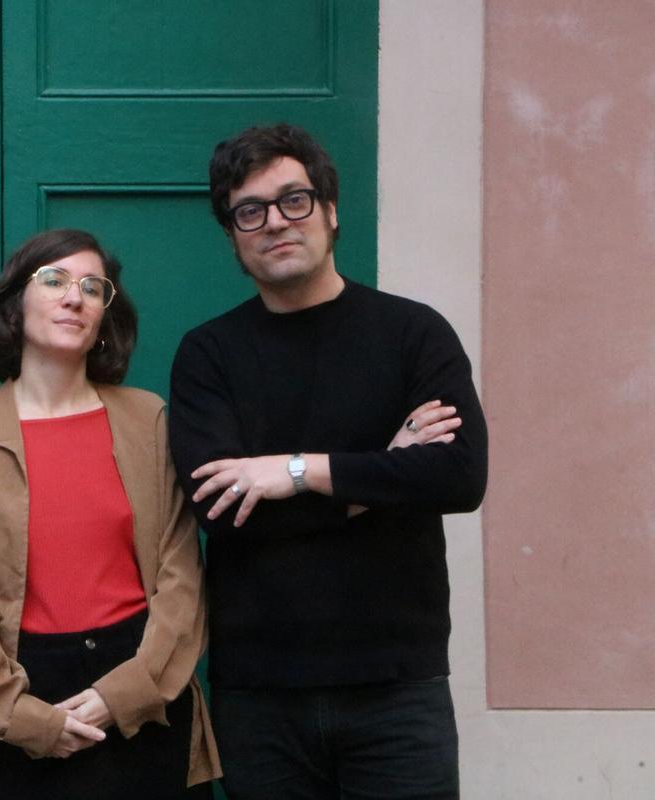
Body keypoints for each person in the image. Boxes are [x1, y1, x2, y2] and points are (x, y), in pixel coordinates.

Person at [168, 124, 488, 799]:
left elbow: (459, 476)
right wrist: (383, 474)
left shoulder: (413, 333)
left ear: (331, 210)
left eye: (294, 200)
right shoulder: (209, 355)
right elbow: (221, 513)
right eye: (249, 211)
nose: (274, 222)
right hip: (260, 694)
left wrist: (294, 472)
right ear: (231, 234)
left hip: (397, 688)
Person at [0, 229, 221, 800]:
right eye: (54, 280)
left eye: (92, 287)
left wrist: (125, 694)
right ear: (15, 304)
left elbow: (182, 575)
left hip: (144, 687)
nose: (74, 297)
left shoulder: (148, 420)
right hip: (21, 691)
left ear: (105, 316)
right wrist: (24, 718)